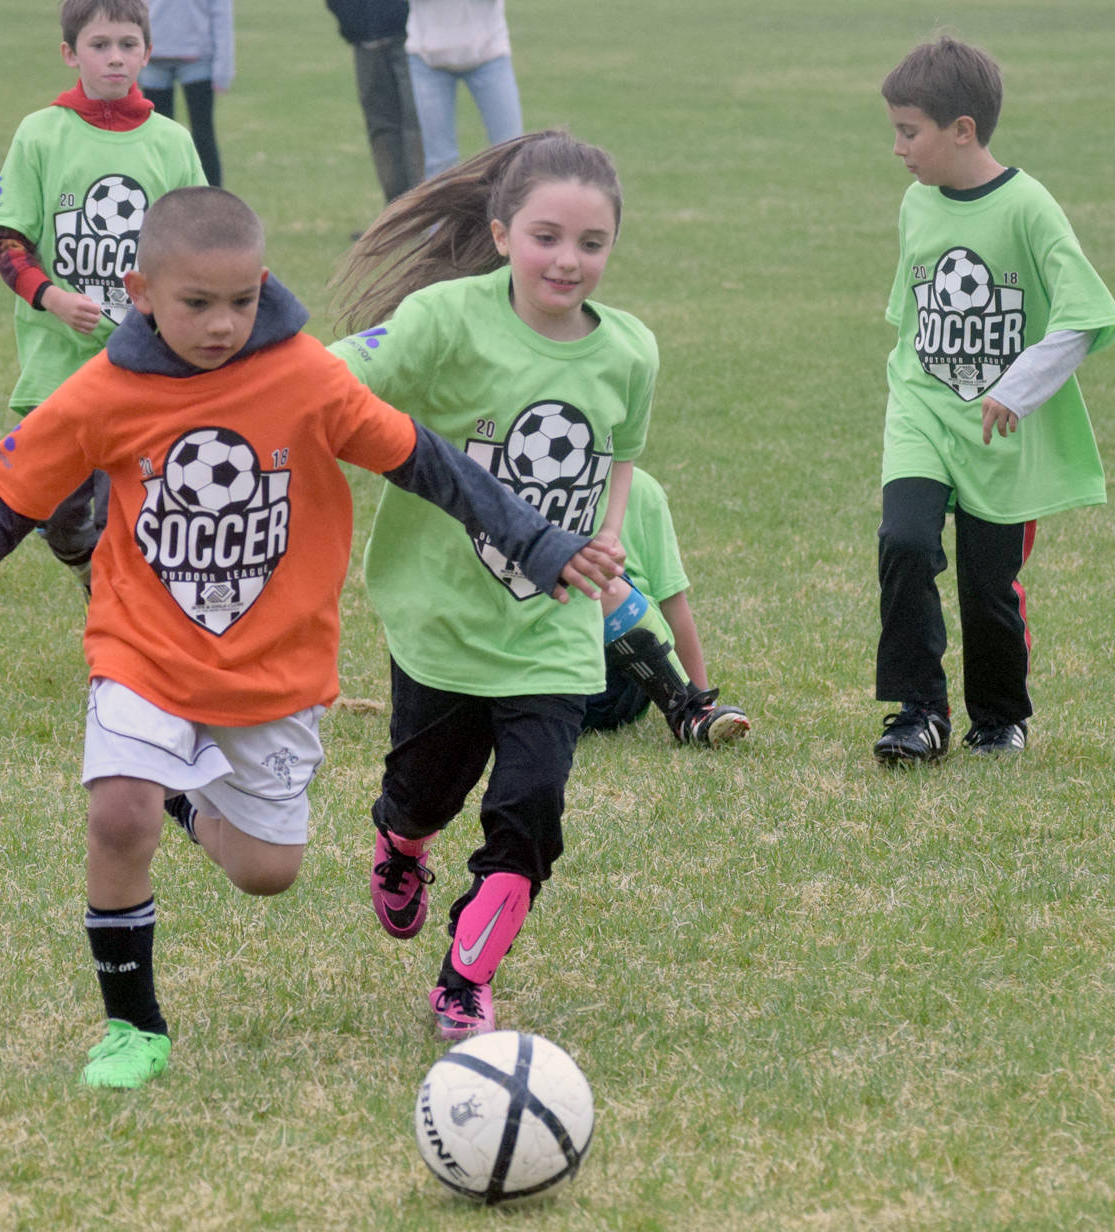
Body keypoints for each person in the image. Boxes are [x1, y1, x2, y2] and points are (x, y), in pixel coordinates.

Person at [0, 186, 621, 1091]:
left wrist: (535, 540)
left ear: (263, 282)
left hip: (274, 671)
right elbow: (1, 500)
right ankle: (133, 1026)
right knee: (117, 812)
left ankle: (186, 800)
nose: (222, 325)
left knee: (266, 871)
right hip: (143, 652)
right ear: (139, 289)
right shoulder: (103, 392)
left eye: (241, 301)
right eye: (196, 304)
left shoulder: (303, 377)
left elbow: (429, 463)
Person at [330, 131, 727, 1041]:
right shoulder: (443, 318)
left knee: (532, 811)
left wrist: (611, 531)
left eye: (591, 244)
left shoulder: (629, 349)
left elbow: (619, 455)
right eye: (546, 237)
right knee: (426, 791)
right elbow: (340, 373)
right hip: (442, 619)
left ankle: (465, 979)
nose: (568, 260)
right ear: (503, 232)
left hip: (551, 627)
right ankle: (400, 840)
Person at [872, 36, 1115, 765]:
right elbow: (914, 320)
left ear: (962, 130)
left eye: (908, 131)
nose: (897, 148)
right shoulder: (915, 205)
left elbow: (1082, 314)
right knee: (904, 543)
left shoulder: (1027, 206)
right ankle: (917, 711)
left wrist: (1017, 387)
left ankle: (998, 717)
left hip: (1000, 430)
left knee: (988, 585)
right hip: (922, 409)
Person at [0, 0, 205, 591]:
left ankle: (121, 631)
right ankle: (94, 579)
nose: (115, 57)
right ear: (69, 53)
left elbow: (199, 246)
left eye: (128, 45)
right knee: (62, 519)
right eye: (100, 44)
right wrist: (53, 298)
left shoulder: (172, 142)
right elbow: (6, 243)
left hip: (145, 363)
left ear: (147, 53)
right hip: (58, 364)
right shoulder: (40, 134)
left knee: (123, 517)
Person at [580, 467, 751, 744]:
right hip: (554, 666)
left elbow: (674, 606)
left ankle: (687, 711)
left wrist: (701, 705)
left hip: (627, 673)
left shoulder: (643, 489)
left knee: (598, 569)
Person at [403, 0, 522, 180]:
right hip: (428, 58)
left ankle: (511, 207)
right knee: (440, 161)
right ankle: (440, 208)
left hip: (489, 53)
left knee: (511, 151)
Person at [326, 0, 423, 205]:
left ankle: (423, 212)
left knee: (417, 126)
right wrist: (350, 19)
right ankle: (394, 215)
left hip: (408, 37)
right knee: (381, 130)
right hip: (364, 41)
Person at [138, 0, 233, 187]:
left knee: (203, 133)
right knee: (157, 138)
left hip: (197, 58)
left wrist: (224, 67)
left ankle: (213, 199)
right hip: (153, 58)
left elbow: (221, 14)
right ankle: (161, 197)